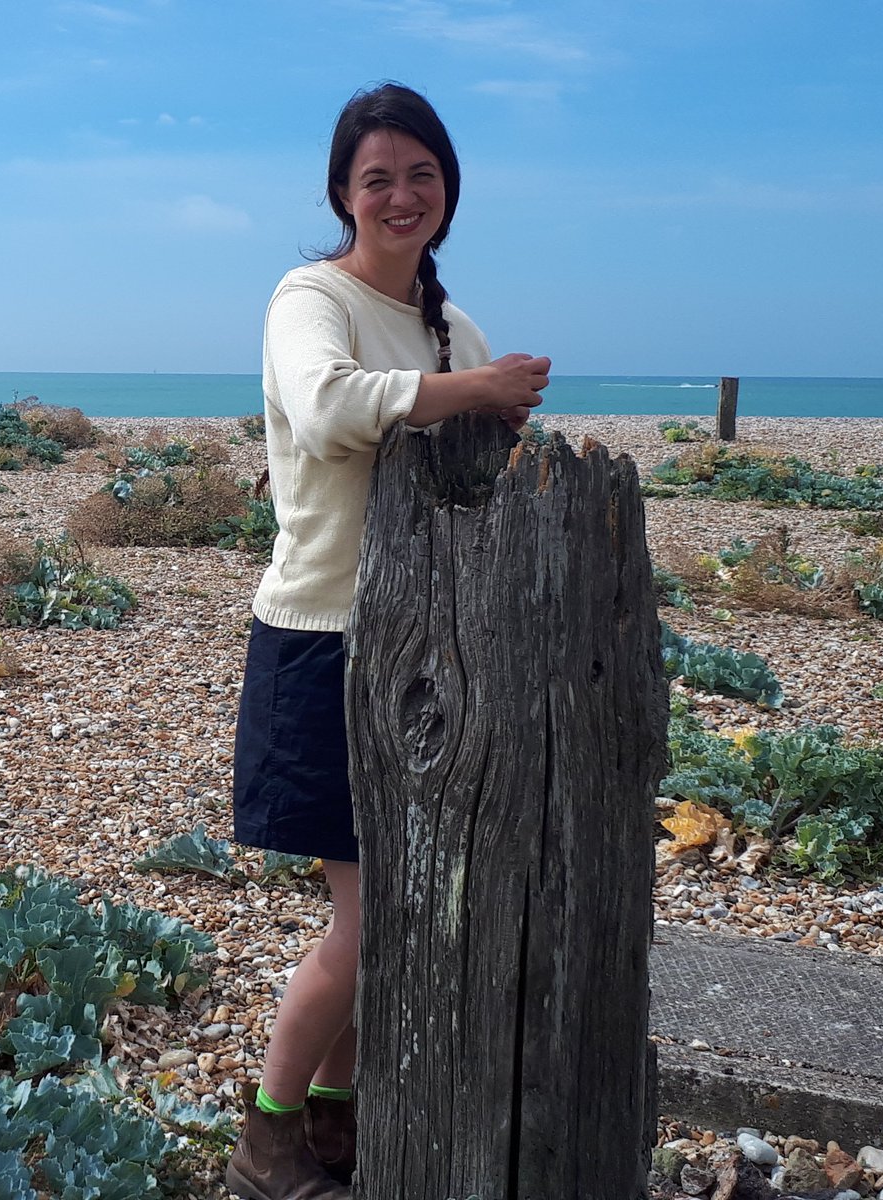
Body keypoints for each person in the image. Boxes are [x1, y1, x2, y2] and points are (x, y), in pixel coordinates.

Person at [227, 81, 549, 1200]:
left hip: (432, 646)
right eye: (378, 178)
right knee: (367, 924)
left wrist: (490, 404)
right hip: (322, 644)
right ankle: (266, 1140)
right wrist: (474, 389)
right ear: (342, 195)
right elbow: (325, 407)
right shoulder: (307, 297)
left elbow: (480, 452)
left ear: (448, 188)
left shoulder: (449, 323)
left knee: (402, 914)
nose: (402, 195)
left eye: (422, 173)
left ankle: (336, 1119)